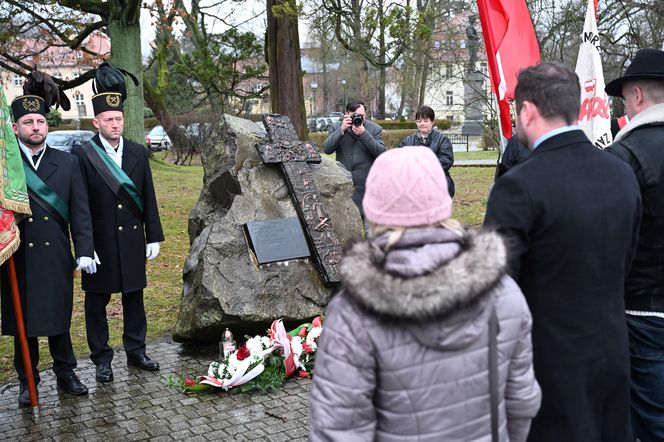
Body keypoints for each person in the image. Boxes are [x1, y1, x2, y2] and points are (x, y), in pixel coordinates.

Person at [310, 146, 541, 441]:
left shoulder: (354, 313)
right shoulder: (504, 292)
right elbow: (522, 401)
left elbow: (338, 430)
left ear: (375, 212)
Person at [484, 63, 642, 441]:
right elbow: (626, 262)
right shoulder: (621, 173)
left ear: (528, 111)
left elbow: (494, 289)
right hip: (613, 353)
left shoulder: (517, 187)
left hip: (546, 367)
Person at [1, 91, 95, 406]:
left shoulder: (67, 163)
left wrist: (84, 248)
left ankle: (66, 372)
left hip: (54, 254)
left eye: (41, 121)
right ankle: (28, 379)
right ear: (15, 128)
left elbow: (80, 211)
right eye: (28, 122)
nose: (36, 127)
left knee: (58, 317)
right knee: (23, 321)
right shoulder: (6, 171)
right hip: (19, 254)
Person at [72, 75, 164, 383]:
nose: (116, 124)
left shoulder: (138, 152)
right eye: (109, 119)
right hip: (100, 244)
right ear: (96, 122)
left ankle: (136, 350)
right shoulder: (83, 155)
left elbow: (149, 195)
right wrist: (84, 247)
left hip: (130, 241)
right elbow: (80, 205)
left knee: (134, 297)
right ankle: (101, 358)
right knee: (97, 302)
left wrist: (153, 235)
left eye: (119, 118)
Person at [604, 47, 664, 442]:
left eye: (625, 96)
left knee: (651, 420)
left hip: (642, 310)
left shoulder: (623, 157)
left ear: (637, 96)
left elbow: (608, 239)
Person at [323, 100, 385, 221]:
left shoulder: (374, 129)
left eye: (362, 115)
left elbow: (381, 153)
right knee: (347, 230)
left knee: (369, 231)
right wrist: (341, 130)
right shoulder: (337, 127)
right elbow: (327, 149)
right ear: (347, 114)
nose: (359, 118)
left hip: (367, 188)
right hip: (344, 187)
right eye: (355, 115)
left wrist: (364, 134)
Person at [398, 105, 455, 197]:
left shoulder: (442, 140)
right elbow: (399, 160)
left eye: (425, 121)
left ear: (432, 122)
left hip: (437, 184)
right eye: (419, 121)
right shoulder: (408, 140)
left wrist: (423, 167)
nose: (422, 124)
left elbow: (446, 161)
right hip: (413, 186)